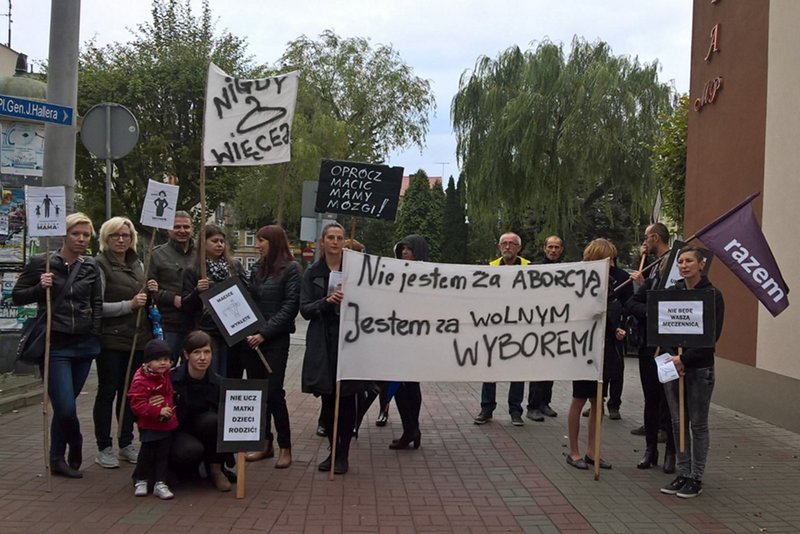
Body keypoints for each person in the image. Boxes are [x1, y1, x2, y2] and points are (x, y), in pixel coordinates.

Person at [12, 213, 103, 478]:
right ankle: (74, 441)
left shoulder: (90, 266)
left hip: (84, 345)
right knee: (65, 408)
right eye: (76, 233)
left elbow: (96, 303)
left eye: (86, 235)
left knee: (69, 404)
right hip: (55, 345)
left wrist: (95, 332)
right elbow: (17, 296)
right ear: (64, 234)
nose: (82, 239)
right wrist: (40, 288)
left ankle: (56, 458)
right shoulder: (43, 262)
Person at [660, 246, 724, 499]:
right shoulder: (672, 293)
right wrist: (673, 358)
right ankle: (682, 473)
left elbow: (711, 335)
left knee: (697, 424)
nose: (684, 265)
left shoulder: (712, 295)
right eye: (680, 262)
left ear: (701, 264)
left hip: (699, 369)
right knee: (678, 423)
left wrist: (684, 359)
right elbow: (662, 327)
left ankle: (696, 477)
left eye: (689, 261)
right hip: (673, 366)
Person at [301, 222, 366, 474]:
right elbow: (305, 309)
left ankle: (343, 454)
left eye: (340, 237)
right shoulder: (312, 273)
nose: (336, 242)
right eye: (331, 237)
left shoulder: (355, 272)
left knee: (347, 398)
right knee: (328, 401)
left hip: (349, 340)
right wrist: (326, 302)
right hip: (322, 341)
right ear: (322, 241)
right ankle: (332, 449)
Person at [93, 216, 157, 469]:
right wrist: (127, 306)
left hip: (137, 340)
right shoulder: (99, 265)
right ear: (106, 239)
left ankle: (125, 441)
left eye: (126, 236)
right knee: (108, 392)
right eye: (115, 235)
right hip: (111, 341)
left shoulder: (138, 264)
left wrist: (150, 290)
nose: (121, 240)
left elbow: (143, 300)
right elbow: (96, 306)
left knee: (131, 394)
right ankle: (104, 445)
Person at [242, 225, 300, 469]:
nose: (258, 245)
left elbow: (290, 307)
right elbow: (250, 300)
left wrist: (264, 333)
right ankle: (264, 443)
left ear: (274, 242)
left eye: (262, 241)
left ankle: (285, 446)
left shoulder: (292, 269)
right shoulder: (257, 268)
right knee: (258, 394)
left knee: (275, 392)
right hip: (252, 340)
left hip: (274, 340)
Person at [565, 239, 625, 470]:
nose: (612, 263)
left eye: (613, 259)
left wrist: (615, 328)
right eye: (608, 258)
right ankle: (574, 451)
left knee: (598, 401)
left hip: (605, 350)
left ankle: (592, 450)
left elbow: (611, 313)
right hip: (584, 349)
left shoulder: (610, 283)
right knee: (579, 399)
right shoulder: (579, 280)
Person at [625, 222, 677, 472]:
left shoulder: (672, 267)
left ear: (656, 237)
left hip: (668, 349)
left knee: (669, 399)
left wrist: (657, 312)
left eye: (647, 237)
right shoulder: (654, 269)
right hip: (649, 347)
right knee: (651, 397)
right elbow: (633, 302)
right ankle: (650, 450)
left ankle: (671, 452)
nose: (645, 242)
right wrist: (651, 312)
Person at [474, 232, 530, 426]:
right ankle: (486, 408)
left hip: (520, 327)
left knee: (518, 370)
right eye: (504, 244)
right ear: (499, 247)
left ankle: (515, 411)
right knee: (490, 368)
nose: (507, 247)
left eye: (512, 244)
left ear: (518, 248)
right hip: (494, 327)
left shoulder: (530, 269)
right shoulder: (489, 269)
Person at [182, 223, 246, 377]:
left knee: (232, 374)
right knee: (213, 374)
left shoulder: (234, 267)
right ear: (204, 244)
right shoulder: (194, 270)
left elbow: (247, 293)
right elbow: (186, 306)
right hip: (208, 331)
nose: (219, 245)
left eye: (222, 241)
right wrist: (197, 291)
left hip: (233, 331)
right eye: (214, 241)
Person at [388, 235, 428, 450]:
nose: (404, 252)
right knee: (399, 386)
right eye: (402, 248)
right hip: (397, 337)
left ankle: (411, 429)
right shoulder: (394, 272)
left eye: (409, 249)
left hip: (416, 339)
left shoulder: (428, 275)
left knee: (410, 385)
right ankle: (410, 429)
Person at [128, 339, 178, 499]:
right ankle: (141, 479)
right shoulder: (140, 379)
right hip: (149, 424)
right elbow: (137, 405)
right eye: (157, 360)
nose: (162, 363)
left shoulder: (168, 375)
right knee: (147, 453)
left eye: (166, 360)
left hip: (167, 423)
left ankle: (160, 482)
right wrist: (157, 411)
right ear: (148, 362)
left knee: (164, 454)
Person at [527, 235, 564, 422]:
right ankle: (532, 406)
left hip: (556, 323)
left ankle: (545, 403)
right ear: (544, 248)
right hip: (536, 324)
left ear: (561, 250)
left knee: (551, 366)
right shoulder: (535, 267)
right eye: (550, 246)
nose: (553, 250)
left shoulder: (567, 269)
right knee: (537, 367)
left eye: (557, 247)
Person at [151, 211, 195, 359]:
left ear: (192, 228)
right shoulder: (156, 255)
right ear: (168, 229)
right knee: (166, 366)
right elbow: (149, 289)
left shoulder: (201, 254)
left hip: (196, 323)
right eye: (177, 227)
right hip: (170, 323)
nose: (182, 231)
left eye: (186, 227)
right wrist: (172, 298)